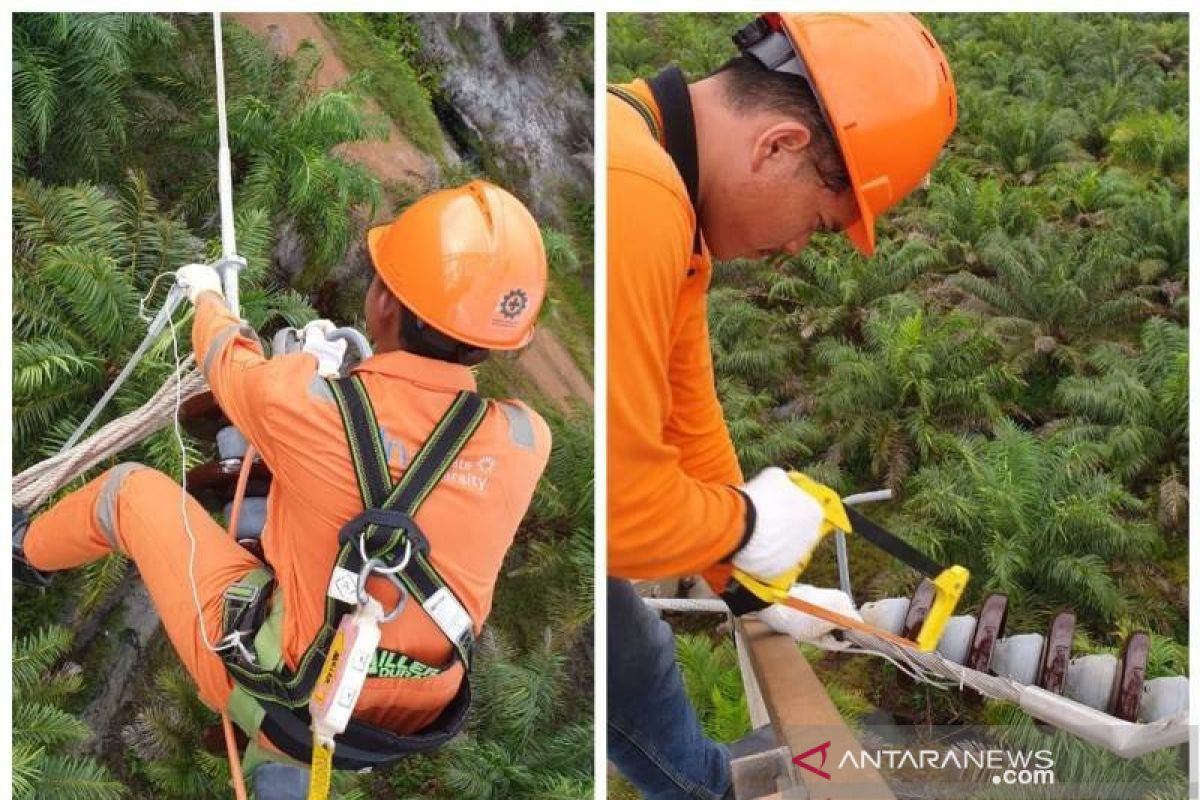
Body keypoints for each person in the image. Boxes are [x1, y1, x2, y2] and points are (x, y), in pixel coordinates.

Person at [14, 180, 553, 771]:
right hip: (394, 730)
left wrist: (209, 296)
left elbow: (226, 357)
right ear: (489, 346)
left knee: (129, 492)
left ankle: (22, 548)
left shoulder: (306, 403)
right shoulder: (527, 440)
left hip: (289, 704)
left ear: (384, 303)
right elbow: (420, 460)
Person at [607, 13, 957, 799]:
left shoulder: (666, 190)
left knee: (632, 655)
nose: (799, 246)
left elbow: (685, 419)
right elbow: (621, 514)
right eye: (822, 223)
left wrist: (756, 583)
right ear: (780, 146)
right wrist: (750, 526)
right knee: (620, 650)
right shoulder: (639, 193)